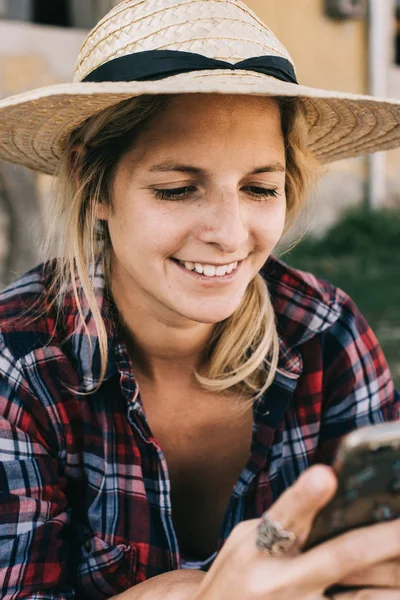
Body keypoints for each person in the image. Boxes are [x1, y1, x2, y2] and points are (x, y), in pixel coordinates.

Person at [0, 1, 399, 599]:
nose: (231, 234)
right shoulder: (19, 360)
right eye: (178, 189)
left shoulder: (325, 333)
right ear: (95, 186)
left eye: (260, 188)